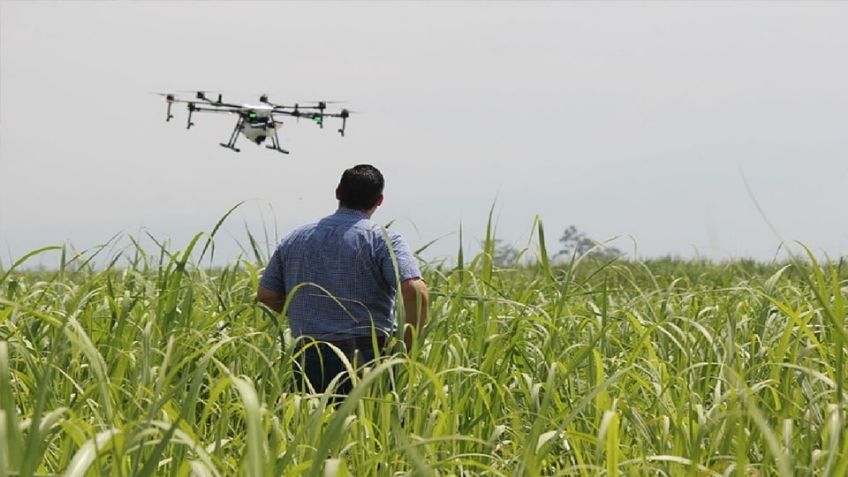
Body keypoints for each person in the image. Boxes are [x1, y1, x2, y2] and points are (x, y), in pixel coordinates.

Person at [256, 164, 429, 395]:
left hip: (309, 354)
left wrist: (313, 312)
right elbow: (415, 290)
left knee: (309, 427)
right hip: (368, 356)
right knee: (368, 427)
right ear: (379, 200)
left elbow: (266, 295)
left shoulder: (295, 238)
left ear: (338, 192)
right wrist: (406, 348)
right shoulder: (383, 239)